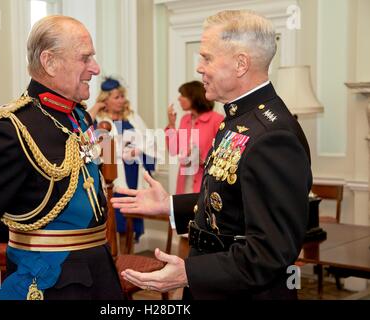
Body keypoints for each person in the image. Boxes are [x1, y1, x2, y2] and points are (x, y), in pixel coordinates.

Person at [112, 9, 312, 300]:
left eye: (207, 57)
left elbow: (271, 251)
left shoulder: (273, 135)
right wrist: (169, 205)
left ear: (241, 63)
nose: (199, 67)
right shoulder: (238, 118)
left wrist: (189, 273)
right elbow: (232, 199)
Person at [0, 15, 124, 300]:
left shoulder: (78, 115)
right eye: (85, 59)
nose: (95, 68)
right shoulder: (13, 129)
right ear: (49, 62)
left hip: (98, 275)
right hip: (52, 285)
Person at [88, 78, 157, 248]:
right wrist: (97, 107)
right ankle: (115, 256)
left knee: (132, 218)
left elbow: (149, 141)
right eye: (117, 97)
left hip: (133, 171)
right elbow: (90, 142)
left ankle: (129, 252)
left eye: (122, 97)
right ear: (106, 99)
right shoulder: (100, 120)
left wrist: (136, 151)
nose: (122, 100)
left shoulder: (132, 117)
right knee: (115, 217)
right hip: (113, 173)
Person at [166, 80, 224, 194]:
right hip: (186, 179)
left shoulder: (216, 120)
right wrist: (171, 124)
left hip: (207, 179)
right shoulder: (185, 120)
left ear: (193, 97)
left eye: (182, 95)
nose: (179, 99)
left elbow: (222, 153)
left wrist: (202, 161)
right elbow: (174, 150)